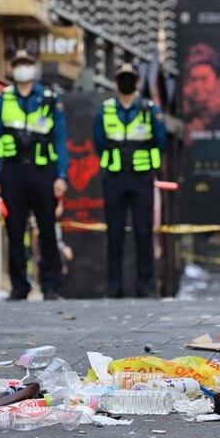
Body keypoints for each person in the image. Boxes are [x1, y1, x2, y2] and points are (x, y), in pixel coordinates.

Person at [0, 49, 69, 301]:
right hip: (12, 172)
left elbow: (60, 139)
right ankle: (19, 286)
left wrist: (61, 176)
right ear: (13, 69)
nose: (23, 68)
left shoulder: (48, 98)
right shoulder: (2, 100)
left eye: (28, 63)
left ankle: (51, 286)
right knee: (15, 231)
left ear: (35, 68)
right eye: (19, 63)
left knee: (47, 229)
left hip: (43, 172)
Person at [93, 63, 167, 298]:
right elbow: (98, 141)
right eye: (122, 77)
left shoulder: (148, 109)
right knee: (114, 233)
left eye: (130, 78)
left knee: (143, 232)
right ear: (116, 82)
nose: (126, 82)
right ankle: (114, 285)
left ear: (136, 82)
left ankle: (144, 285)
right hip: (114, 177)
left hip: (141, 177)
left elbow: (160, 139)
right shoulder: (105, 111)